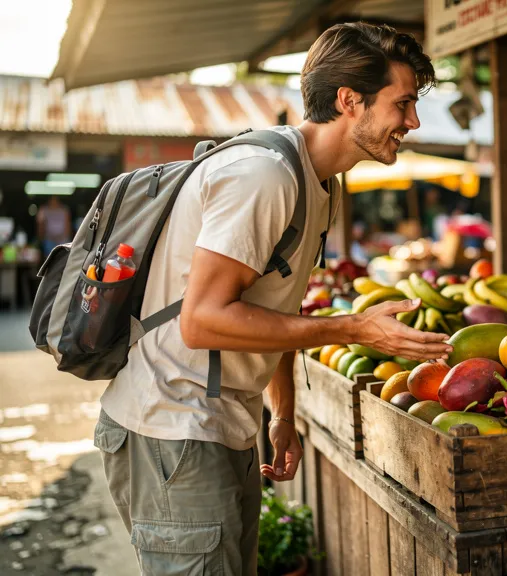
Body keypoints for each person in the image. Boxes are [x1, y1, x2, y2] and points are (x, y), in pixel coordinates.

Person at [93, 23, 451, 575]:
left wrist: (283, 411)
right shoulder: (264, 175)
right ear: (349, 101)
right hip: (172, 425)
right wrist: (352, 329)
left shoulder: (322, 184)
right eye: (402, 104)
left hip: (221, 421)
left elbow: (279, 309)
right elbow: (204, 321)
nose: (413, 122)